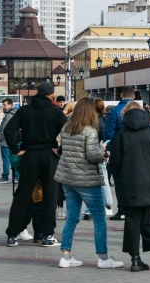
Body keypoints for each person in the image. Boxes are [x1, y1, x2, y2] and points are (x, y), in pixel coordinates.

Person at [53, 98, 124, 269]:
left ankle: (65, 255)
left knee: (71, 218)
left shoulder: (67, 128)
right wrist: (102, 152)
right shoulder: (90, 131)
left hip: (68, 179)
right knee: (99, 219)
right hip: (86, 180)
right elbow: (92, 155)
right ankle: (103, 257)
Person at [4, 82, 68, 247]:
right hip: (49, 155)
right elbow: (70, 131)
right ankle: (47, 235)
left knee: (22, 194)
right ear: (52, 95)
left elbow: (9, 130)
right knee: (49, 195)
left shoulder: (24, 110)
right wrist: (60, 149)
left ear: (37, 93)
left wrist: (14, 149)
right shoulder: (55, 112)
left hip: (29, 155)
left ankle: (13, 234)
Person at [109, 102, 150, 272]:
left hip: (129, 185)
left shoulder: (121, 136)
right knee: (149, 219)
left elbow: (114, 163)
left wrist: (117, 179)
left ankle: (135, 259)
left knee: (132, 221)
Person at [104, 86, 135, 220]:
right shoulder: (140, 110)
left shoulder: (115, 110)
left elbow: (109, 132)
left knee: (119, 180)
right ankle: (133, 208)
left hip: (119, 150)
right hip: (136, 151)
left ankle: (122, 209)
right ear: (133, 96)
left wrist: (107, 149)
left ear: (121, 95)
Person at [0, 98, 19, 184]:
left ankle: (5, 177)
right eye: (3, 105)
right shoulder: (15, 113)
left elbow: (4, 129)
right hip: (14, 140)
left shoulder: (9, 115)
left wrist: (0, 138)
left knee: (6, 159)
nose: (4, 107)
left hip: (6, 141)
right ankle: (16, 177)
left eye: (5, 105)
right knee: (14, 159)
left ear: (10, 104)